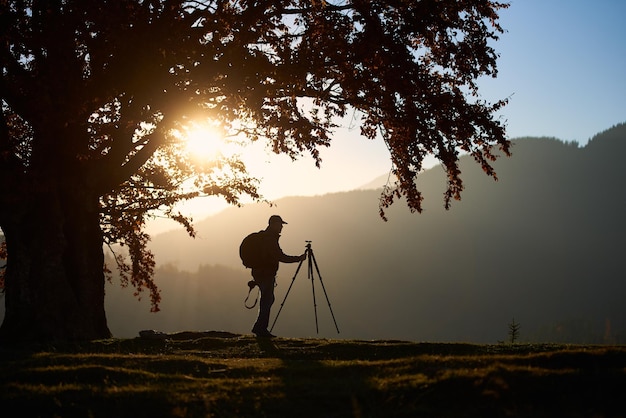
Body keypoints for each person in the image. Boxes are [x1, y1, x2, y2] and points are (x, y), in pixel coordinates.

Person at [250, 215, 306, 338]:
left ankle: (259, 327)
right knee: (267, 300)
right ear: (273, 224)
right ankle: (261, 330)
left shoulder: (265, 237)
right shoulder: (270, 239)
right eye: (280, 225)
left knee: (268, 299)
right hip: (265, 273)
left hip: (259, 272)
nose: (281, 227)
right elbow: (280, 256)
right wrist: (298, 259)